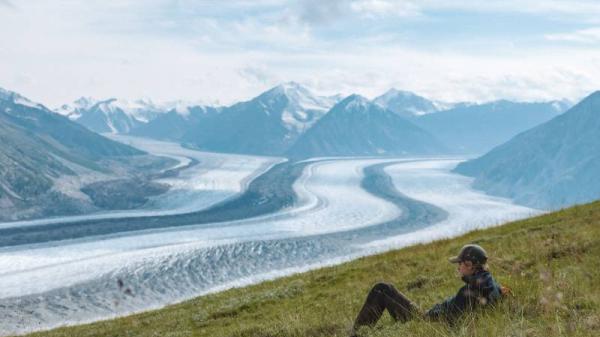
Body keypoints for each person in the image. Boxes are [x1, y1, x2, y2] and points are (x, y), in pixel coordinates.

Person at [350, 244, 503, 336]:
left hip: (425, 322)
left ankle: (358, 334)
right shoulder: (490, 283)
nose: (458, 267)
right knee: (385, 289)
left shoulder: (468, 293)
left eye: (460, 263)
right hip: (429, 319)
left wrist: (428, 317)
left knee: (382, 289)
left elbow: (450, 321)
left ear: (469, 264)